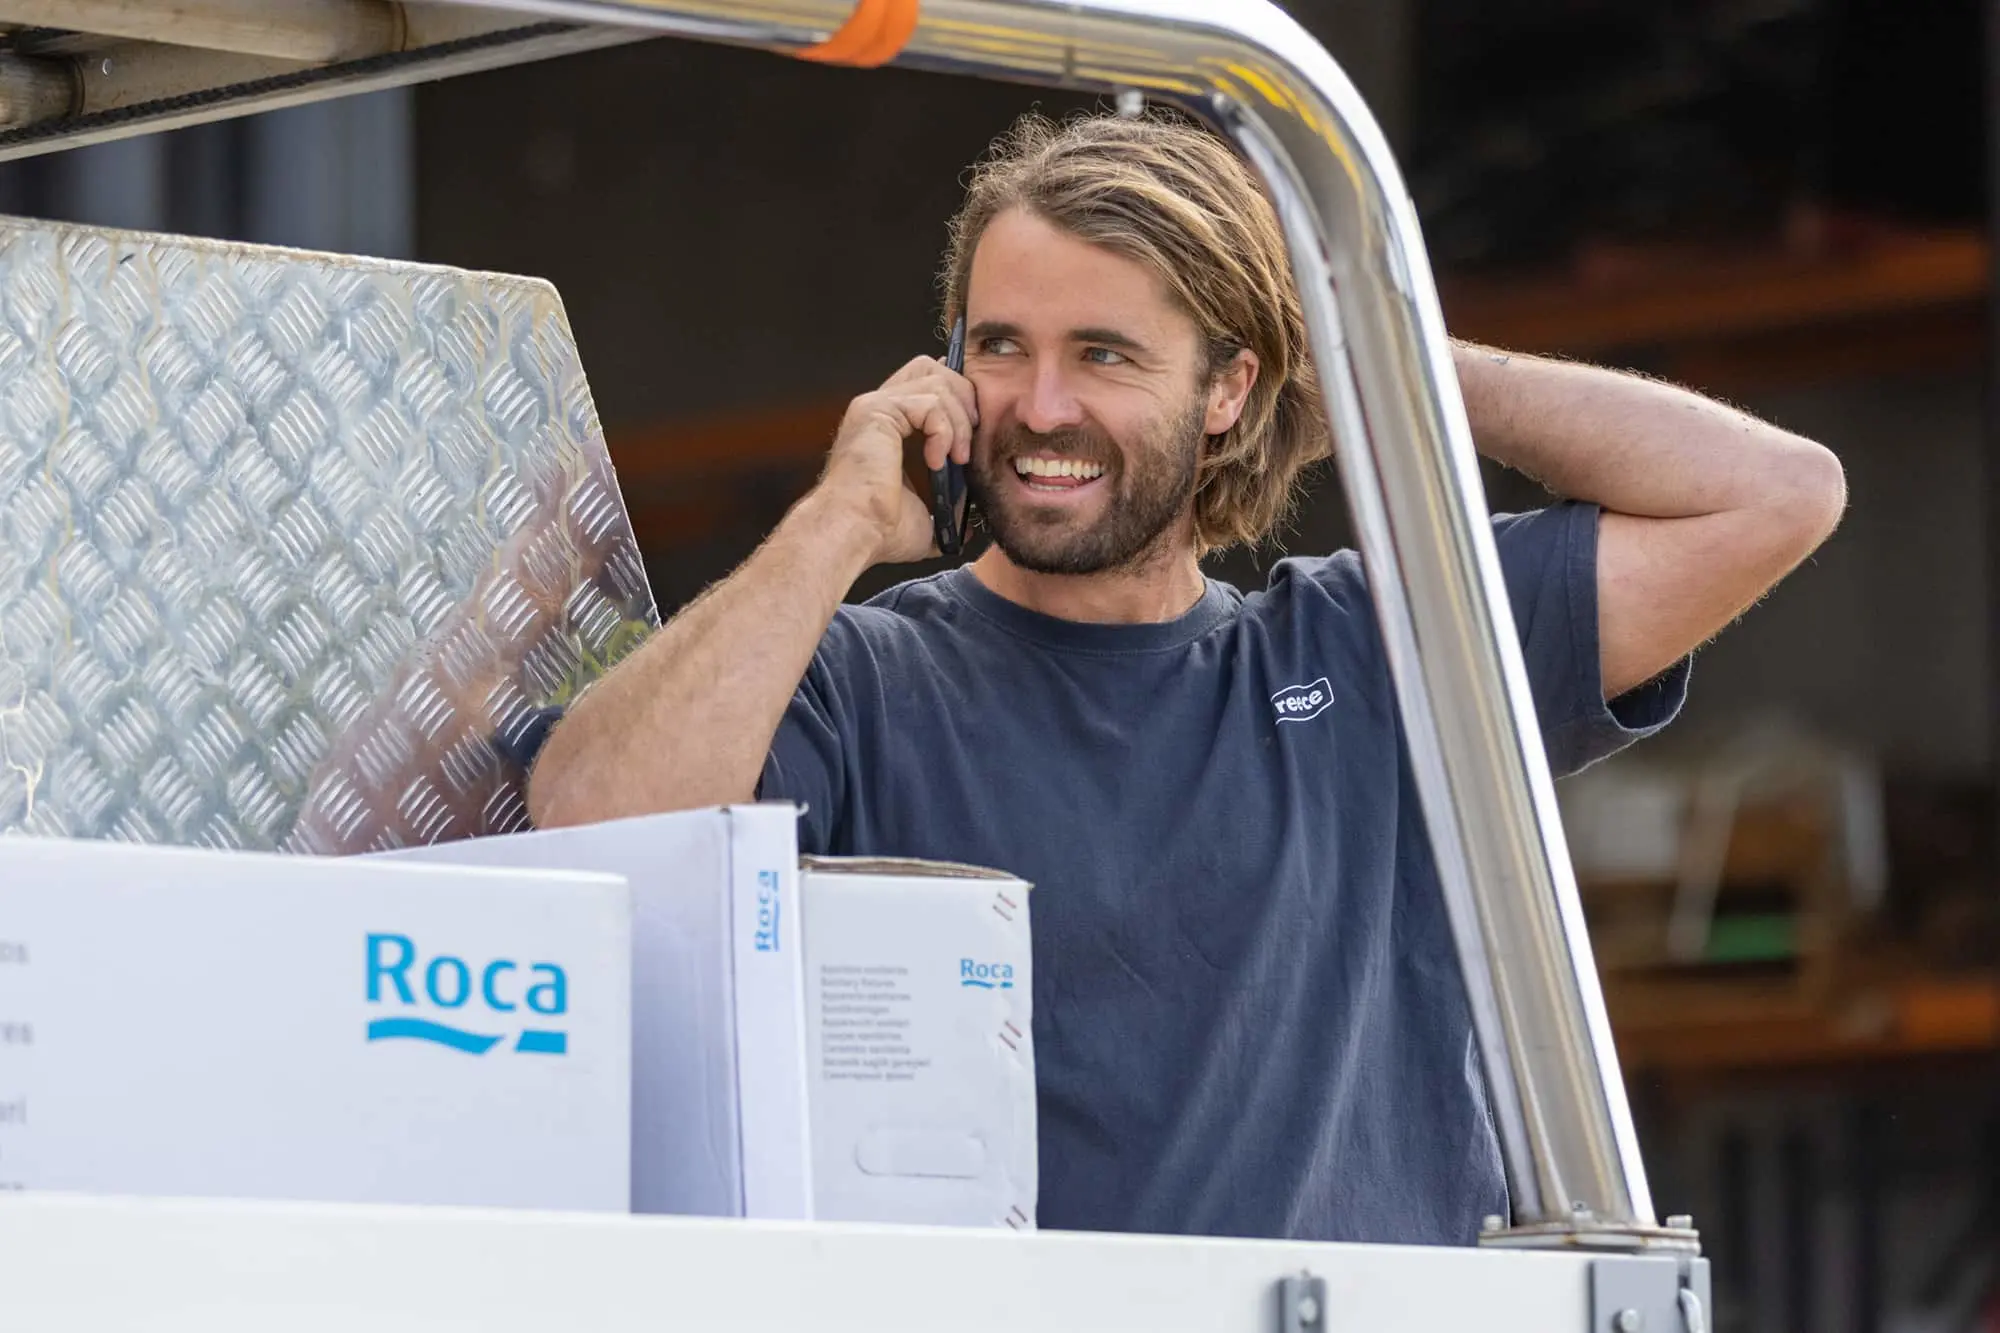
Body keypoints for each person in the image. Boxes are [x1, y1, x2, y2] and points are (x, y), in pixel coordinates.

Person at [526, 111, 1846, 1244]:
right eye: (1000, 346)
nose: (1040, 405)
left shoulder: (1376, 654)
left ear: (1231, 388)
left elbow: (1773, 496)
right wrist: (834, 527)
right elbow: (588, 828)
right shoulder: (863, 677)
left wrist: (1375, 366)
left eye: (1104, 353)